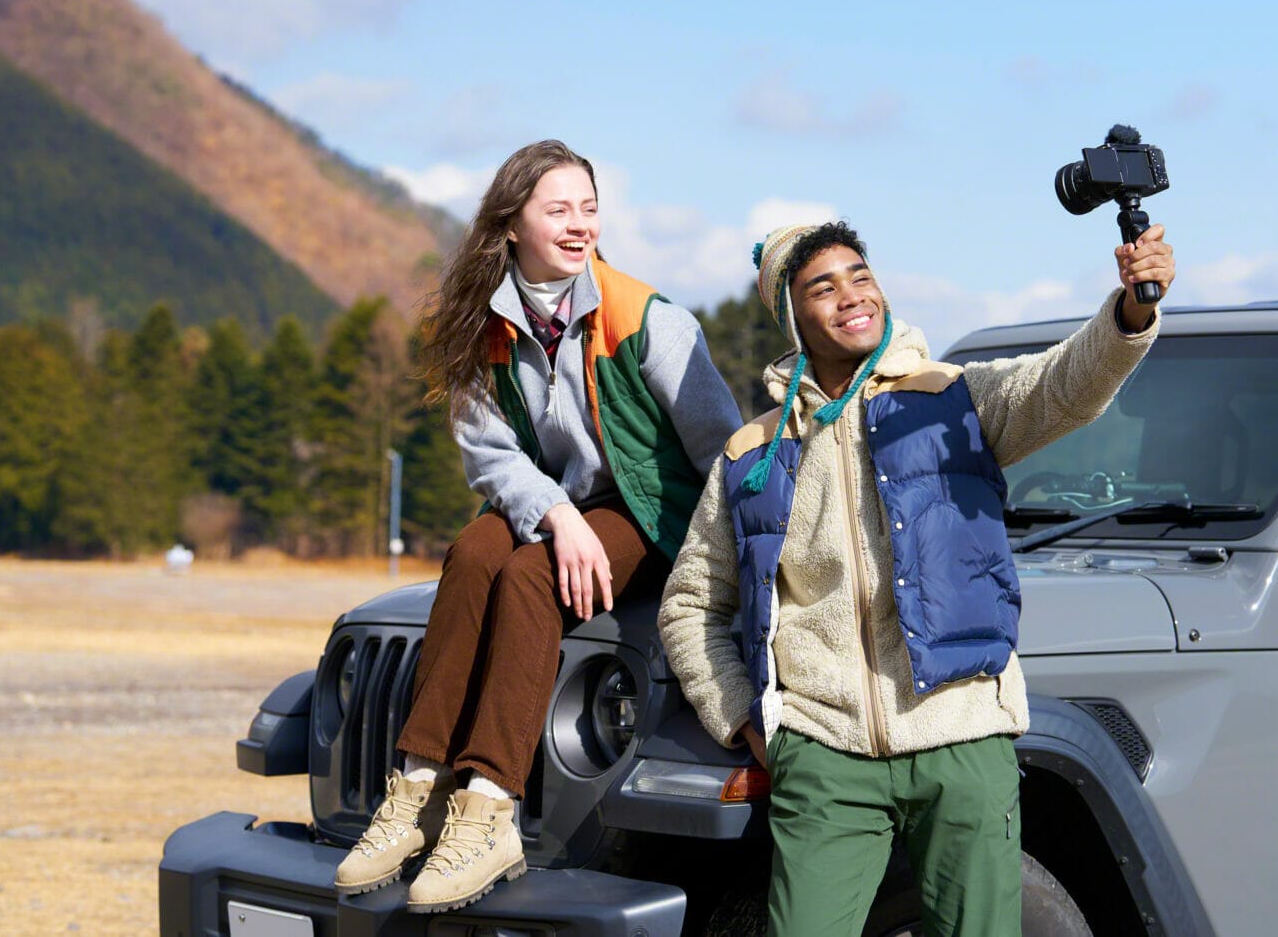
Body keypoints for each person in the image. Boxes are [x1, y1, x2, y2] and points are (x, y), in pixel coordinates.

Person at [659, 220, 1175, 935]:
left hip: (961, 737)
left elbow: (1064, 386)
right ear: (792, 317)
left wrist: (1130, 312)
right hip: (823, 756)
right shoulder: (752, 452)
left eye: (861, 276)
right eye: (823, 288)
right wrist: (749, 719)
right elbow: (690, 603)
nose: (851, 295)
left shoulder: (955, 399)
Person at [333, 140, 743, 912]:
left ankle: (490, 807)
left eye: (589, 208)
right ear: (512, 224)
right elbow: (489, 454)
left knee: (529, 574)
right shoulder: (479, 324)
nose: (580, 224)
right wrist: (557, 515)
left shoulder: (646, 319)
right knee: (473, 551)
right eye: (559, 210)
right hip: (563, 505)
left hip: (656, 512)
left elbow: (723, 449)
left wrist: (746, 564)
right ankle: (419, 786)